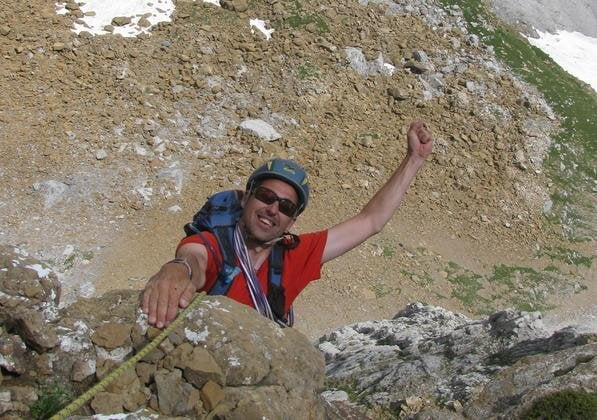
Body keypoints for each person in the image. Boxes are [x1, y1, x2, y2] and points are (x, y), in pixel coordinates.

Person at [142, 120, 433, 328]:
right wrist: (175, 271)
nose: (272, 209)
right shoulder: (216, 242)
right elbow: (194, 258)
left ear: (292, 220)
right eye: (266, 196)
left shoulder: (295, 255)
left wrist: (414, 160)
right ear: (246, 199)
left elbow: (371, 221)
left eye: (285, 206)